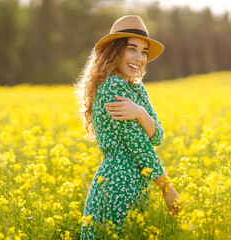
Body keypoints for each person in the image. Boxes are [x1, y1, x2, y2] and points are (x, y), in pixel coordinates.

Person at [75, 15, 182, 239]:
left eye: (144, 51)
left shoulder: (137, 89)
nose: (139, 58)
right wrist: (167, 189)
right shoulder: (113, 87)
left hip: (137, 183)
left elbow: (157, 136)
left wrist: (140, 113)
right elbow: (140, 145)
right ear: (116, 51)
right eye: (132, 49)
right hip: (118, 184)